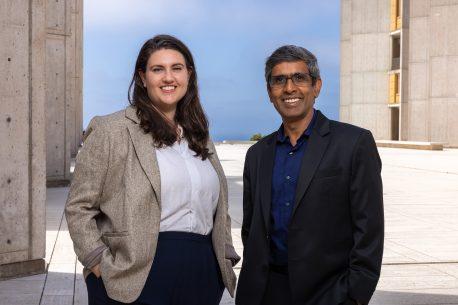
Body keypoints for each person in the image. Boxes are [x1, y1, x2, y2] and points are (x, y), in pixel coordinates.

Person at [65, 34, 240, 305]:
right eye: (158, 69)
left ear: (189, 75)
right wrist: (97, 262)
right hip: (134, 275)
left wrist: (225, 255)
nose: (168, 78)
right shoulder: (111, 130)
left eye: (176, 68)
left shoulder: (199, 135)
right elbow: (79, 207)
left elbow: (219, 205)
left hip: (203, 272)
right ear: (143, 78)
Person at [235, 45, 384, 305]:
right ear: (270, 92)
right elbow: (252, 231)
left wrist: (354, 295)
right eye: (279, 80)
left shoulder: (354, 143)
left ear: (317, 87)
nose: (289, 88)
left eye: (299, 78)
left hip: (330, 294)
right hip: (265, 293)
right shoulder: (257, 154)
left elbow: (369, 230)